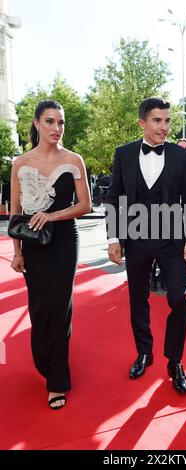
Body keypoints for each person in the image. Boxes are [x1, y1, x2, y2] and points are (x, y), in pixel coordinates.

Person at [106, 98, 186, 394]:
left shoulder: (181, 157)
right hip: (135, 238)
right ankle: (144, 353)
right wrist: (113, 238)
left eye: (167, 120)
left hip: (171, 239)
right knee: (137, 299)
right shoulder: (124, 154)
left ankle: (175, 360)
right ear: (142, 123)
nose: (164, 127)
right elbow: (114, 196)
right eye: (157, 121)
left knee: (179, 299)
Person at [9, 100, 91, 409]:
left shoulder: (74, 160)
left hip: (64, 243)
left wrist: (52, 215)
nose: (57, 128)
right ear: (36, 123)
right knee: (39, 310)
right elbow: (15, 211)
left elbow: (86, 205)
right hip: (33, 245)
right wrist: (17, 252)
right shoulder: (21, 163)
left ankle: (57, 381)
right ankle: (45, 363)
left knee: (60, 309)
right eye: (50, 122)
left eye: (61, 123)